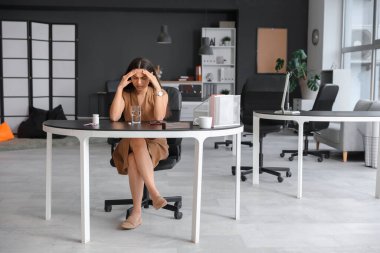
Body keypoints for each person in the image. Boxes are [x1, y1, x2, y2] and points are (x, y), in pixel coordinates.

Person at [109, 57, 169, 230]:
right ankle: (155, 194)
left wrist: (156, 85)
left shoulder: (160, 93)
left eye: (144, 78)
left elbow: (158, 117)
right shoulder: (126, 94)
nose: (139, 82)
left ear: (150, 77)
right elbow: (114, 116)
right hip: (130, 141)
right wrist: (120, 87)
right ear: (129, 77)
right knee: (135, 138)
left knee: (134, 157)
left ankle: (136, 214)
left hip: (155, 143)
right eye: (135, 78)